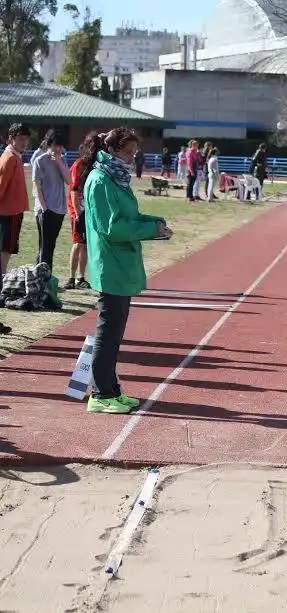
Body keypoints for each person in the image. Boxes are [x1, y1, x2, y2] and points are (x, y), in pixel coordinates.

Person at [81, 128, 173, 414]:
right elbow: (112, 228)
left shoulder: (115, 179)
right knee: (108, 334)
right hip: (111, 266)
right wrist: (150, 230)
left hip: (121, 265)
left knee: (115, 333)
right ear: (112, 150)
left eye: (135, 153)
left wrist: (155, 223)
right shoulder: (100, 180)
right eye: (128, 153)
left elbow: (129, 217)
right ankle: (100, 394)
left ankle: (111, 389)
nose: (132, 159)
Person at [0, 123, 31, 335]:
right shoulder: (10, 158)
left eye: (26, 138)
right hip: (7, 217)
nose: (24, 142)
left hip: (12, 215)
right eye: (20, 138)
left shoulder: (14, 157)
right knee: (1, 268)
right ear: (11, 138)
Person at [32, 129, 72, 271]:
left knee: (50, 245)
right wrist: (44, 208)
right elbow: (36, 186)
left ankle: (39, 277)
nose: (59, 149)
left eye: (61, 146)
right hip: (45, 210)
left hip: (59, 209)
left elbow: (68, 180)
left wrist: (59, 161)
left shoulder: (62, 160)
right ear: (49, 144)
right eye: (56, 145)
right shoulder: (40, 161)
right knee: (46, 247)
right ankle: (44, 280)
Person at [64, 138, 92, 290]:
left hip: (88, 209)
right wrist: (77, 213)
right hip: (78, 211)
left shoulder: (92, 166)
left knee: (86, 245)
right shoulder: (78, 165)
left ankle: (81, 278)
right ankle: (71, 278)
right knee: (77, 243)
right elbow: (74, 190)